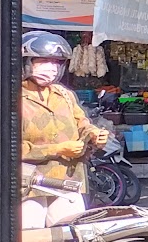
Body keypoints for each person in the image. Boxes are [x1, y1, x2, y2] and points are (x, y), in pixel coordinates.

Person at [20, 30, 109, 189]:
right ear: (26, 62)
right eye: (44, 60)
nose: (51, 67)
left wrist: (94, 135)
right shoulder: (10, 98)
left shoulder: (64, 94)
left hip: (70, 181)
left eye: (56, 62)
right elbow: (8, 148)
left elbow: (82, 124)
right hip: (29, 186)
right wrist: (58, 149)